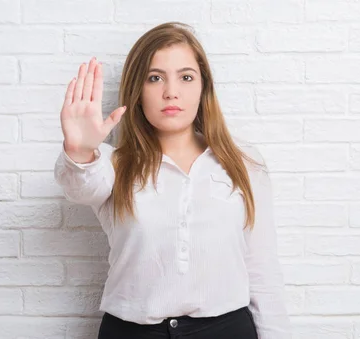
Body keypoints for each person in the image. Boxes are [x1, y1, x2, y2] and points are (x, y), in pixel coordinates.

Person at [54, 22, 291, 339]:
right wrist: (80, 150)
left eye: (186, 77)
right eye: (155, 78)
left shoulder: (244, 162)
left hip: (226, 330)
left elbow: (262, 269)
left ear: (203, 87)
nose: (171, 91)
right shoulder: (111, 164)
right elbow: (79, 187)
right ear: (138, 91)